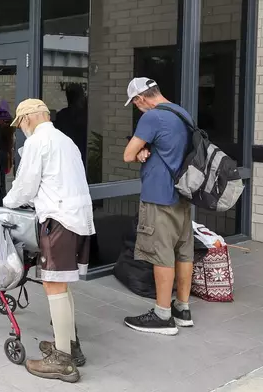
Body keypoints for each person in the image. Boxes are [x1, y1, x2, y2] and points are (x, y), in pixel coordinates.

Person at [3, 99, 94, 383]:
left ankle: (62, 361)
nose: (22, 130)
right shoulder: (66, 140)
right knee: (62, 283)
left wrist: (7, 203)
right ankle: (69, 345)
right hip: (79, 219)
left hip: (58, 220)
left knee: (53, 283)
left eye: (21, 124)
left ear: (29, 118)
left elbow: (26, 185)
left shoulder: (37, 142)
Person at [122, 78, 194, 336]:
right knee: (183, 251)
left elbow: (128, 154)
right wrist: (147, 148)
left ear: (141, 99)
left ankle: (163, 315)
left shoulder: (152, 117)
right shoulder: (181, 113)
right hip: (183, 194)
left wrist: (140, 150)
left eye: (135, 104)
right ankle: (182, 309)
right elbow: (171, 147)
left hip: (159, 196)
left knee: (161, 254)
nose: (137, 108)